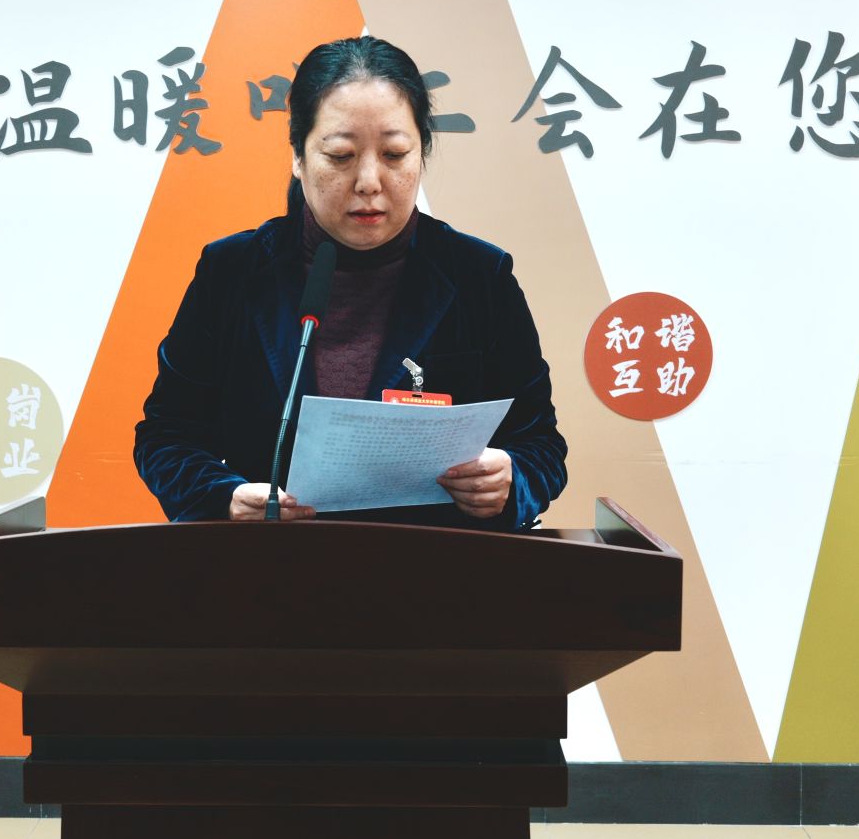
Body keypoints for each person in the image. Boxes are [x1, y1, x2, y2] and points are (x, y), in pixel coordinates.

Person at [134, 35, 566, 531]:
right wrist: (223, 497)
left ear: (422, 153)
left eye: (395, 154)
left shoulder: (479, 276)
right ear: (299, 157)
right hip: (268, 568)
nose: (369, 181)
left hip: (437, 569)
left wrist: (511, 480)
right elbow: (167, 436)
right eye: (340, 156)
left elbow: (541, 446)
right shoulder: (231, 271)